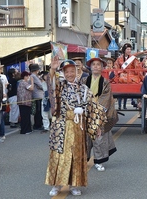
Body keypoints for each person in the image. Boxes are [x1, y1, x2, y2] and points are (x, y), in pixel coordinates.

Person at [45, 59, 107, 196]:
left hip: (78, 127)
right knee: (59, 155)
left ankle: (74, 184)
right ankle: (56, 185)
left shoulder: (84, 89)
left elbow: (92, 108)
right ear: (63, 73)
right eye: (66, 72)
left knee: (77, 156)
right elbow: (51, 85)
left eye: (72, 71)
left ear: (77, 71)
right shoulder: (60, 86)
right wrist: (52, 70)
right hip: (62, 126)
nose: (69, 74)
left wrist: (96, 126)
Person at [82, 57, 118, 172]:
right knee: (85, 138)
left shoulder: (106, 82)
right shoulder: (84, 81)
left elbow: (105, 98)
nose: (96, 66)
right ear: (90, 67)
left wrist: (96, 111)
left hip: (99, 114)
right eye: (94, 64)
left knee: (99, 138)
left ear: (102, 68)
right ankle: (83, 160)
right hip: (86, 113)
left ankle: (99, 161)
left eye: (98, 64)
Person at [0, 64, 9, 143]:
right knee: (1, 117)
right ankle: (2, 134)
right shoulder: (4, 77)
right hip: (3, 98)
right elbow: (6, 86)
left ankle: (0, 135)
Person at [29, 64, 44, 130]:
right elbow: (41, 85)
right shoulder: (34, 76)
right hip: (38, 95)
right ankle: (38, 124)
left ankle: (38, 124)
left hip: (36, 95)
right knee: (39, 111)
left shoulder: (32, 76)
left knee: (38, 111)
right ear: (36, 70)